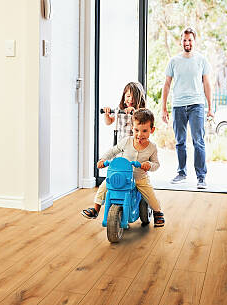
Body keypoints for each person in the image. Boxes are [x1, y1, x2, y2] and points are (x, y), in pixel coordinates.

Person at [81, 109, 165, 227]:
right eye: (136, 130)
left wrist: (149, 165)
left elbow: (156, 164)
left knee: (150, 196)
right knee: (105, 186)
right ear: (132, 128)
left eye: (144, 131)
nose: (140, 135)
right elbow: (113, 151)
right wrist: (103, 160)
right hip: (123, 176)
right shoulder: (126, 141)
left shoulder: (152, 148)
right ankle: (96, 209)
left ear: (152, 130)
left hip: (140, 178)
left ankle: (157, 212)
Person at [162, 27, 214, 189]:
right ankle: (181, 173)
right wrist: (163, 108)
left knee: (198, 141)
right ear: (181, 41)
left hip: (197, 105)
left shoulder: (201, 60)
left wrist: (210, 108)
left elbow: (207, 84)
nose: (187, 43)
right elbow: (167, 84)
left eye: (190, 40)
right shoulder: (174, 61)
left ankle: (201, 177)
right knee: (180, 142)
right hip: (178, 105)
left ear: (194, 41)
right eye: (184, 40)